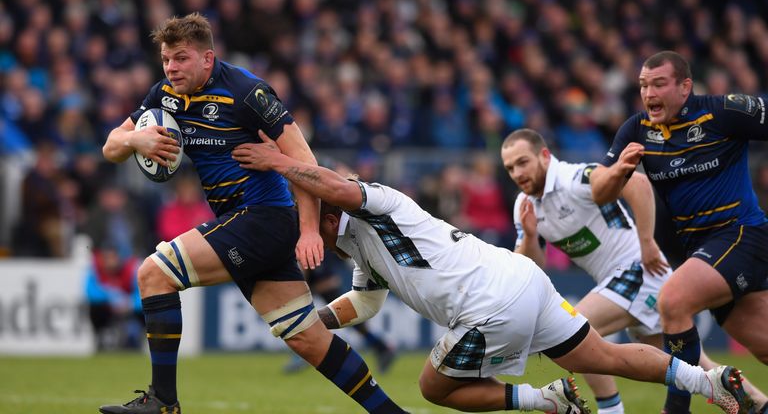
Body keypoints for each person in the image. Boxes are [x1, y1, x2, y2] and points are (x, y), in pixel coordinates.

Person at [231, 129, 754, 414]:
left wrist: (279, 162)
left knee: (433, 388)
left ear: (320, 212)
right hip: (525, 281)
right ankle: (710, 382)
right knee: (606, 355)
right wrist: (312, 324)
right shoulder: (359, 246)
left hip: (491, 306)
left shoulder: (373, 201)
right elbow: (363, 304)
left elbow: (335, 185)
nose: (303, 232)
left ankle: (543, 401)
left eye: (305, 221)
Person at [99, 13, 406, 414]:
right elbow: (110, 147)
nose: (171, 68)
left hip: (264, 217)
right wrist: (135, 137)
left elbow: (304, 160)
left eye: (181, 58)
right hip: (243, 223)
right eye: (166, 59)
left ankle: (163, 402)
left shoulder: (246, 92)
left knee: (154, 274)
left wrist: (310, 230)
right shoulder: (163, 96)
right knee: (307, 339)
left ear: (207, 59)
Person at [501, 128, 768, 413]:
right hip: (618, 284)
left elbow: (638, 182)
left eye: (522, 162)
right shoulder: (524, 205)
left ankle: (610, 410)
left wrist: (647, 242)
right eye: (509, 168)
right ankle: (758, 405)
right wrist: (530, 237)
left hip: (638, 271)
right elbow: (531, 265)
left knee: (572, 330)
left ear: (544, 155)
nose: (517, 173)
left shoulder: (576, 177)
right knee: (693, 368)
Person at [589, 50, 768, 414]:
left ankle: (675, 409)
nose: (648, 93)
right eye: (643, 85)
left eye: (658, 84)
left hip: (742, 234)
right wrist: (620, 170)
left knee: (672, 300)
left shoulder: (723, 111)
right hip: (703, 253)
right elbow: (599, 190)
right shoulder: (637, 130)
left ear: (685, 86)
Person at [282, 253, 397, 374]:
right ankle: (381, 347)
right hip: (315, 271)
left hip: (319, 272)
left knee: (341, 316)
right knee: (344, 318)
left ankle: (380, 347)